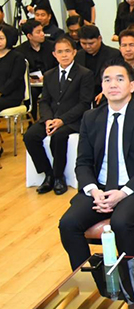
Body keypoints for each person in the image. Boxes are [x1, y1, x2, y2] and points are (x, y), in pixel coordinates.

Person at [58, 59, 134, 271]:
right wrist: (94, 191)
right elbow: (83, 163)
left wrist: (122, 193)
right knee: (68, 224)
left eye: (119, 79)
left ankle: (129, 279)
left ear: (132, 86)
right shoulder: (91, 117)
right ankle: (95, 278)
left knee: (121, 222)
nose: (113, 84)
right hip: (100, 188)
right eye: (107, 80)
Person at [24, 36, 93, 195]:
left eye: (67, 51)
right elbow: (44, 101)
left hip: (73, 120)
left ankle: (58, 176)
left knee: (58, 136)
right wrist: (48, 119)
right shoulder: (49, 75)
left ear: (74, 52)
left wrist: (62, 120)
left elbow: (84, 103)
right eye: (60, 52)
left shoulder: (84, 74)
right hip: (51, 117)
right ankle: (48, 173)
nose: (64, 55)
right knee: (30, 136)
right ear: (54, 54)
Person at [15, 20, 56, 119]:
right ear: (29, 36)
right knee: (31, 92)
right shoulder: (20, 51)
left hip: (51, 80)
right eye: (38, 32)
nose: (42, 34)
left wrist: (48, 75)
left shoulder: (52, 46)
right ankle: (31, 120)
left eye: (42, 31)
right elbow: (19, 70)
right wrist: (28, 78)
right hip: (33, 83)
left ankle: (52, 117)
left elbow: (57, 65)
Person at [0, 25, 26, 156]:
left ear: (9, 39)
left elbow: (15, 79)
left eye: (1, 38)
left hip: (11, 95)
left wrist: (1, 92)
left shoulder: (17, 57)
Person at [75, 25, 119, 100]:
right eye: (83, 43)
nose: (87, 47)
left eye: (91, 43)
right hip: (83, 95)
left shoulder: (113, 54)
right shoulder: (78, 55)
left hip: (106, 94)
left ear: (99, 39)